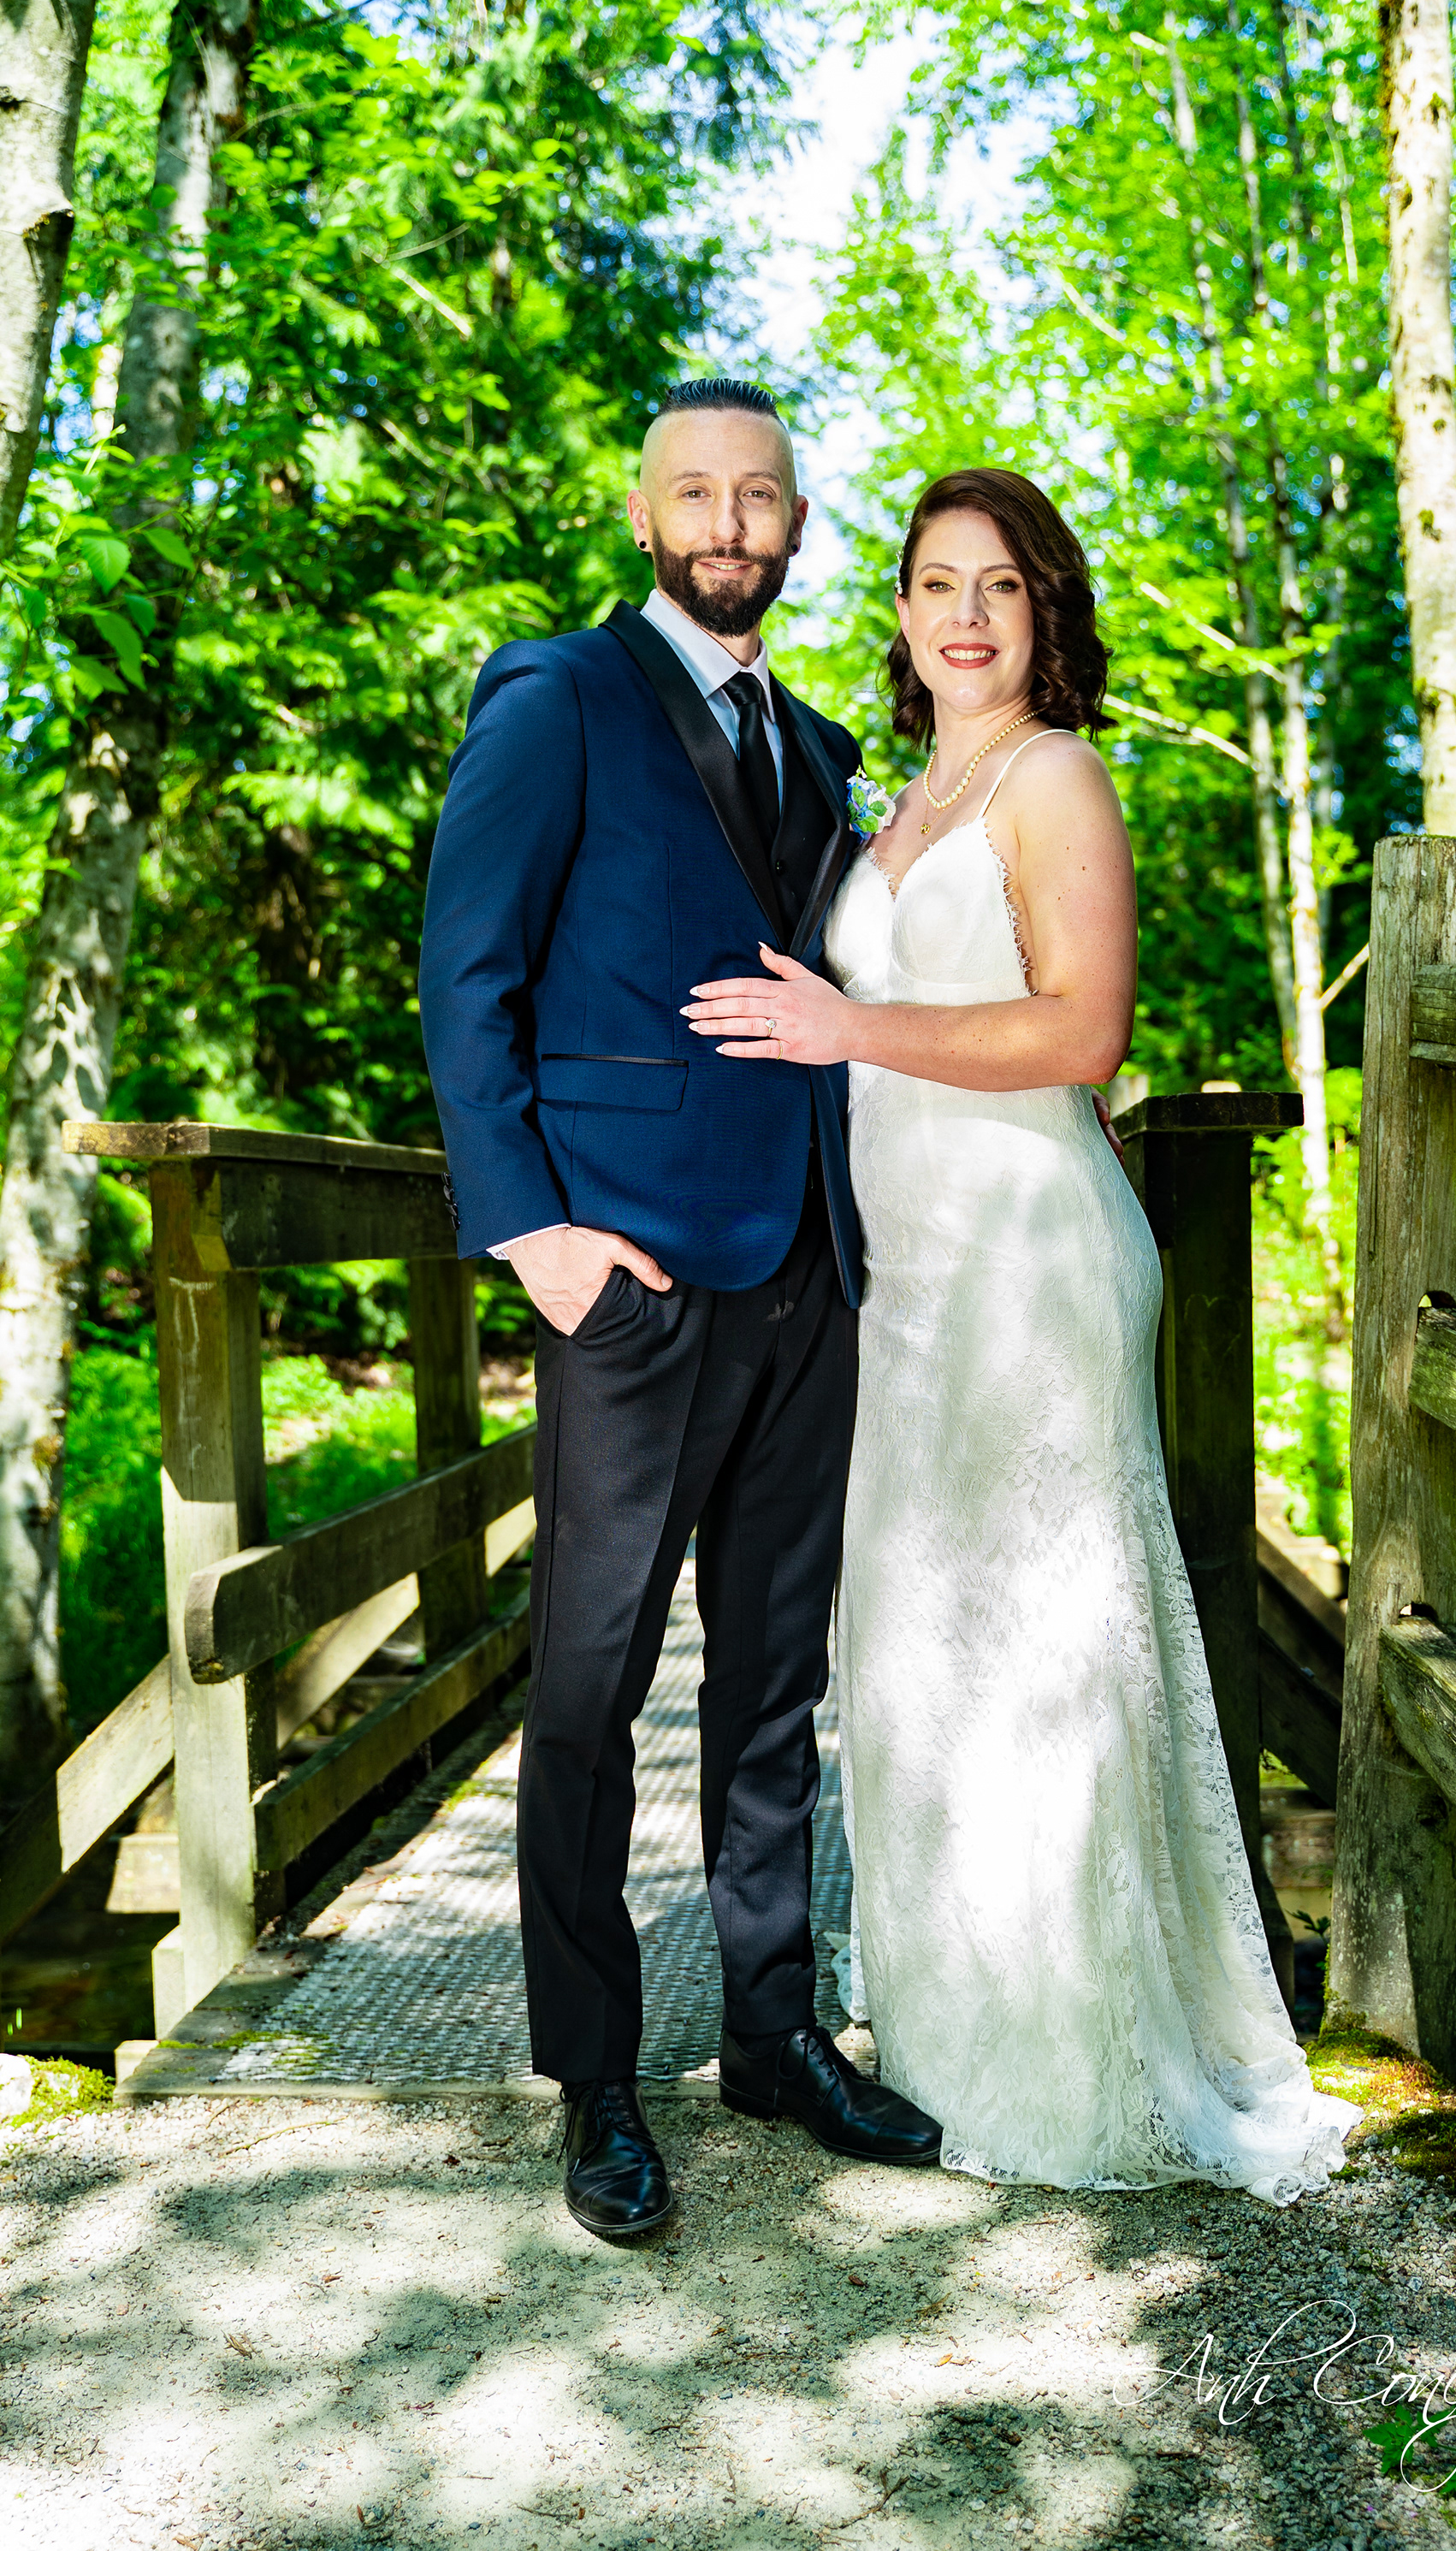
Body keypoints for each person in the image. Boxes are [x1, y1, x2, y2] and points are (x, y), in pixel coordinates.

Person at [684, 468, 1361, 2205]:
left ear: (1044, 610)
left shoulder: (1056, 777)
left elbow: (1083, 1033)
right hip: (901, 1278)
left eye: (1001, 583)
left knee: (1044, 1647)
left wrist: (851, 1026)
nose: (967, 613)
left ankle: (1070, 2066)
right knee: (921, 1652)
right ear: (902, 613)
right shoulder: (898, 794)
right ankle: (949, 2035)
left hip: (1027, 1258)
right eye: (937, 583)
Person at [417, 379, 944, 2245]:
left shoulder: (816, 745)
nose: (730, 523)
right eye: (696, 494)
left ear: (796, 525)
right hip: (627, 1283)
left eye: (762, 496)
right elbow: (466, 973)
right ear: (645, 517)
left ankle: (773, 2035)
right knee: (590, 1680)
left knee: (773, 1684)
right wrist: (532, 1235)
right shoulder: (556, 697)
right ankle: (595, 2080)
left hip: (810, 1272)